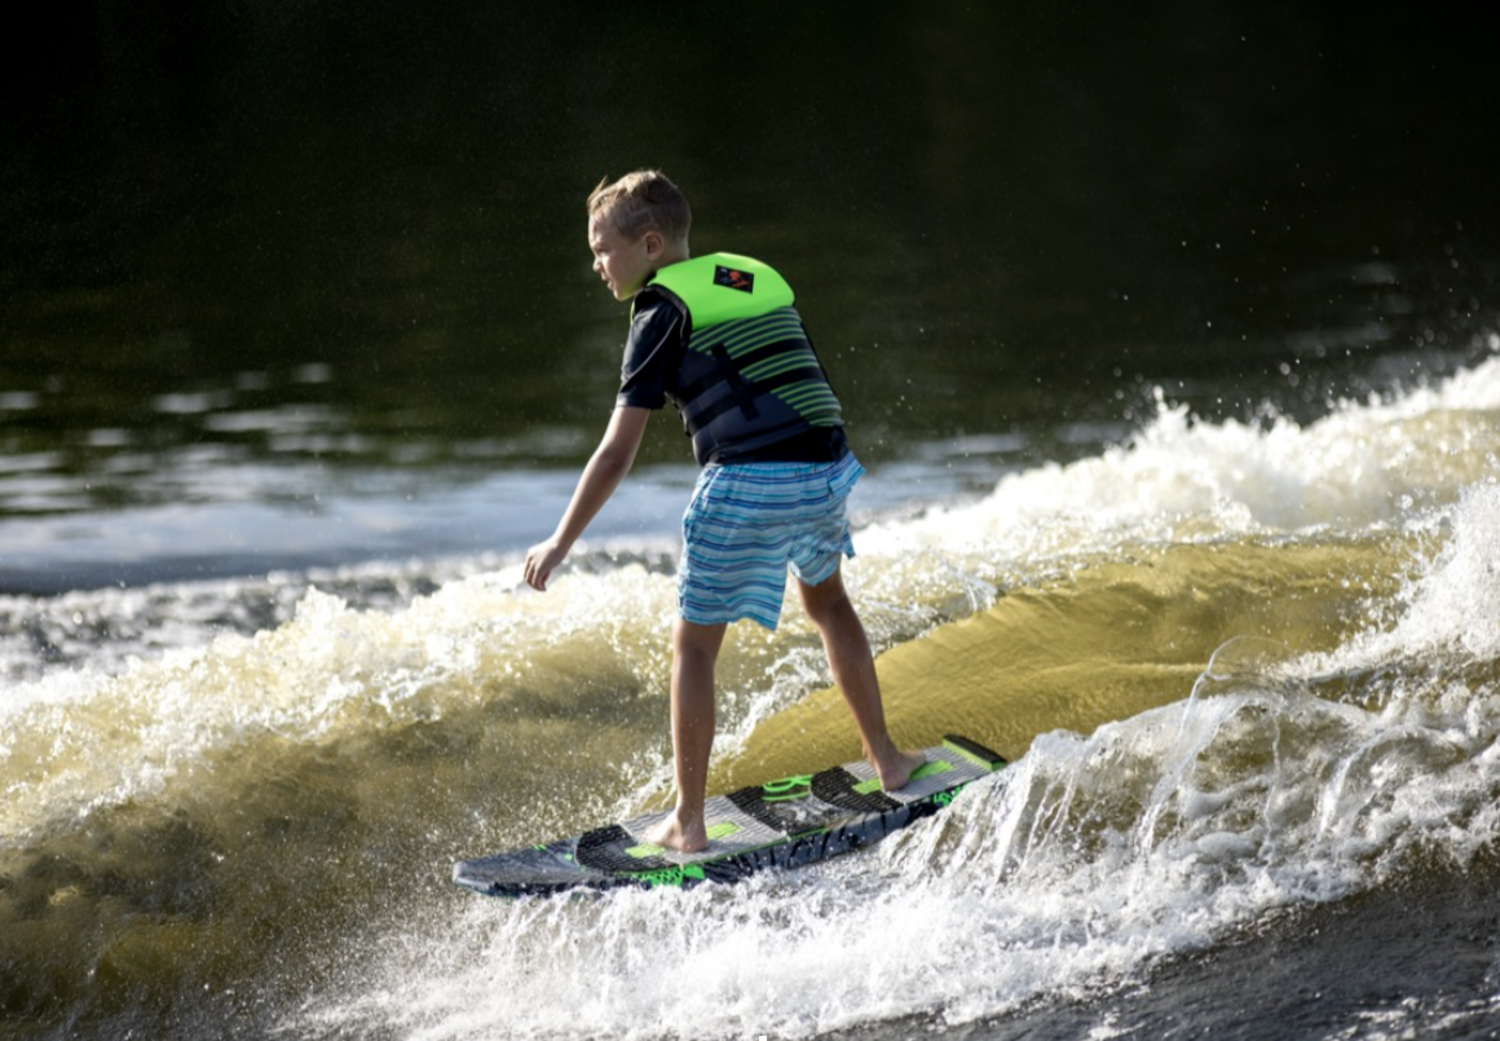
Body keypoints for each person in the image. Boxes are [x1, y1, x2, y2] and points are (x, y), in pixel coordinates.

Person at [523, 169, 924, 853]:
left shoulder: (658, 312)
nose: (595, 263)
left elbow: (617, 452)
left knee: (694, 646)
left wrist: (560, 541)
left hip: (747, 481)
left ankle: (688, 820)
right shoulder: (747, 275)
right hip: (827, 469)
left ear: (650, 245)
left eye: (602, 249)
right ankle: (887, 759)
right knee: (828, 603)